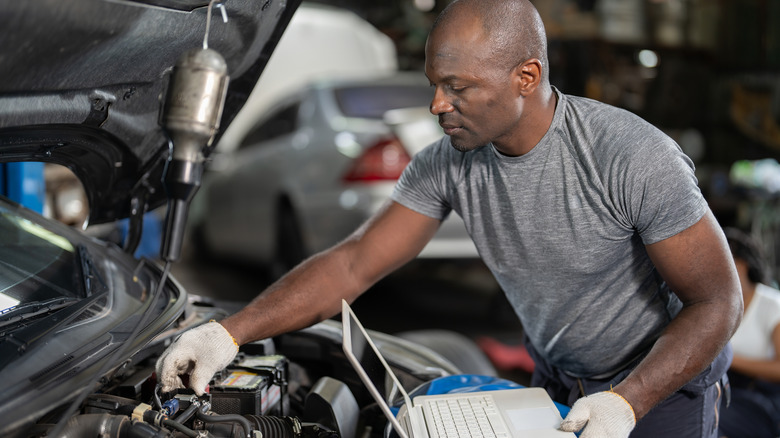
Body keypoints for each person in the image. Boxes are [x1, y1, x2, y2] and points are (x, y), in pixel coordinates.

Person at [156, 1, 743, 436]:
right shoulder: (447, 164)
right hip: (560, 376)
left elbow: (718, 302)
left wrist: (629, 401)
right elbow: (354, 263)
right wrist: (229, 332)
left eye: (458, 87)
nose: (437, 105)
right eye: (436, 84)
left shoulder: (631, 157)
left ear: (527, 77)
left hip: (660, 387)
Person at [719, 227, 780, 437]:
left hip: (762, 398)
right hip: (729, 392)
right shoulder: (717, 308)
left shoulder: (772, 305)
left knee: (713, 417)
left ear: (741, 265)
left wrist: (728, 359)